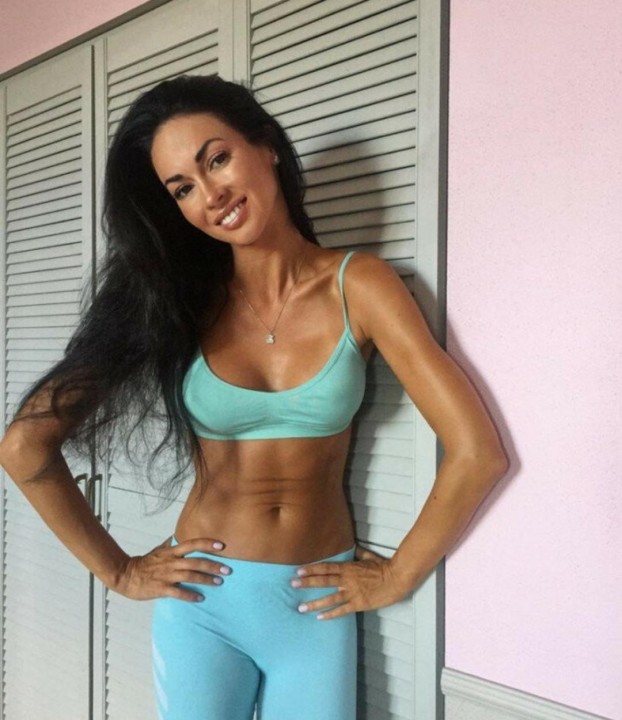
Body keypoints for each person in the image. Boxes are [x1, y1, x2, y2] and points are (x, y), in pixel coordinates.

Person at [0, 74, 508, 720]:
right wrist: (121, 572)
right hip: (201, 608)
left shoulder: (361, 285)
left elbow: (478, 452)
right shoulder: (178, 300)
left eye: (216, 159)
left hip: (313, 603)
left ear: (265, 146)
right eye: (182, 188)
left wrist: (400, 574)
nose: (210, 194)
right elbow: (24, 446)